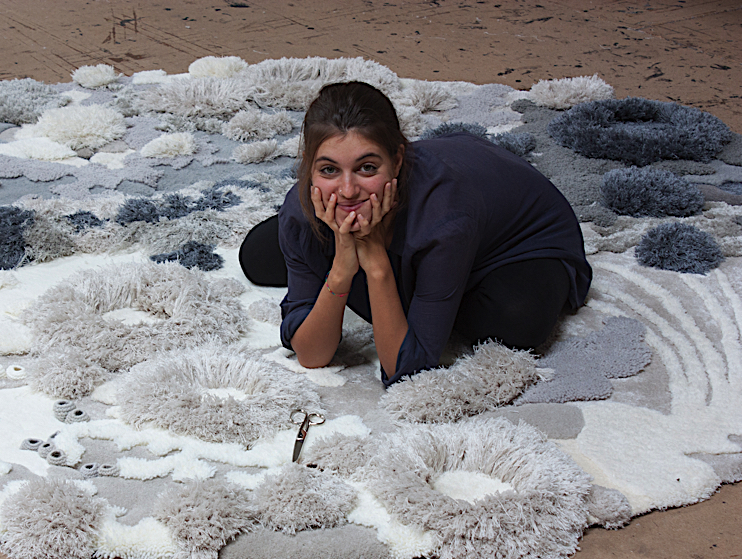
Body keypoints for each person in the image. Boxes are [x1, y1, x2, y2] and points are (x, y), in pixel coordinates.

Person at [239, 81, 592, 387]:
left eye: (367, 167)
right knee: (260, 256)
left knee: (517, 322)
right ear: (307, 165)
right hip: (435, 207)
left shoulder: (447, 219)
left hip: (516, 238)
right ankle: (397, 266)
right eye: (329, 169)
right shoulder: (303, 205)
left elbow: (407, 369)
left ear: (397, 161)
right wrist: (342, 269)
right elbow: (312, 355)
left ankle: (423, 281)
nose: (347, 191)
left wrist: (376, 263)